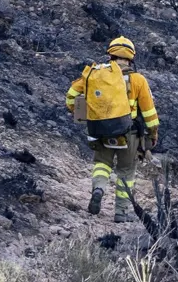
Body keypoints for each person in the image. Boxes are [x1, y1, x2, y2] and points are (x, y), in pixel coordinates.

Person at [65, 37, 160, 223]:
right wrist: (153, 134)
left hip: (99, 131)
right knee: (125, 172)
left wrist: (86, 112)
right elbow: (149, 113)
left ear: (110, 54)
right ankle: (120, 213)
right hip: (129, 134)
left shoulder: (95, 74)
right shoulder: (138, 80)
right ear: (131, 57)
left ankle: (99, 189)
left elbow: (71, 97)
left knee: (102, 164)